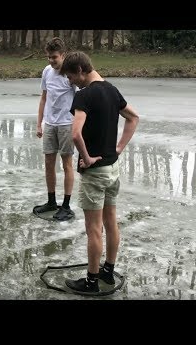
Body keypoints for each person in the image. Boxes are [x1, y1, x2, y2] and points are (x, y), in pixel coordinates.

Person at [59, 51, 139, 293]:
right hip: (112, 169)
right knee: (111, 223)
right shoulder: (112, 90)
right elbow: (133, 117)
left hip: (95, 173)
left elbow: (75, 134)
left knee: (94, 229)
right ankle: (108, 271)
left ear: (81, 70)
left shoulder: (84, 96)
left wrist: (86, 158)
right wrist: (119, 148)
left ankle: (92, 282)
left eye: (71, 76)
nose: (71, 82)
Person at [33, 37, 78, 221]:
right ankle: (51, 201)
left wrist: (79, 126)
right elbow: (44, 98)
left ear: (63, 55)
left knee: (67, 164)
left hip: (67, 124)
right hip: (50, 124)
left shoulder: (71, 74)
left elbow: (81, 100)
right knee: (49, 164)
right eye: (49, 57)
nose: (51, 61)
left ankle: (66, 206)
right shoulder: (47, 71)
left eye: (54, 57)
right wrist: (39, 123)